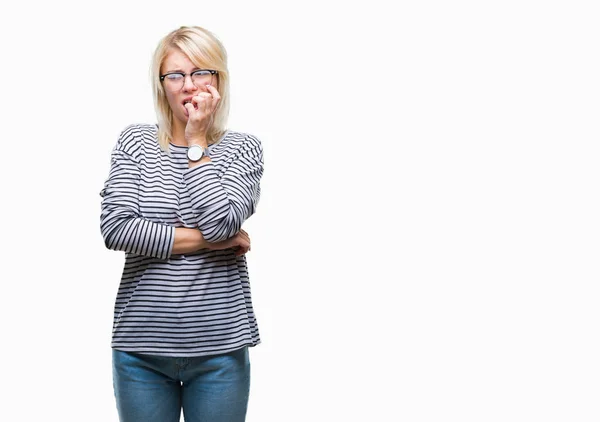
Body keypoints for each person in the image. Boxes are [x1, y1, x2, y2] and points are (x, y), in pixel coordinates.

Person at [99, 25, 264, 422]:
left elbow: (222, 223)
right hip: (141, 349)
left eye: (200, 72)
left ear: (218, 80)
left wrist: (195, 143)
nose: (189, 85)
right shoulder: (135, 143)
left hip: (219, 349)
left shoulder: (243, 148)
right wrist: (213, 243)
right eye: (176, 75)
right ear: (162, 85)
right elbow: (117, 229)